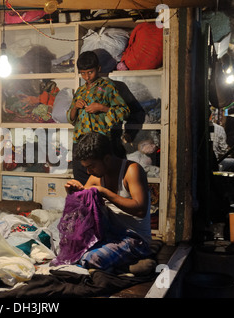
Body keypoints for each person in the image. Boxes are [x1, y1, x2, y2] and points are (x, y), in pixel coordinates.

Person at [64, 132, 154, 274]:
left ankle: (120, 266)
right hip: (108, 235)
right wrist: (73, 193)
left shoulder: (132, 170)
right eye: (86, 167)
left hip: (135, 239)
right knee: (69, 250)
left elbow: (140, 210)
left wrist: (105, 193)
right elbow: (81, 209)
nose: (88, 171)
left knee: (92, 258)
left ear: (106, 158)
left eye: (91, 166)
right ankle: (123, 267)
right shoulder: (96, 176)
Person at [67, 51, 130, 185]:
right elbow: (71, 119)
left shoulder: (108, 87)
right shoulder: (80, 91)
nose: (87, 76)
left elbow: (124, 111)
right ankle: (85, 205)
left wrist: (101, 108)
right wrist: (75, 108)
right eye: (83, 73)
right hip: (79, 142)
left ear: (99, 69)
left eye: (90, 72)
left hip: (99, 143)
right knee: (81, 182)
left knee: (101, 181)